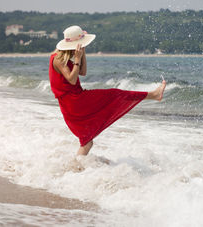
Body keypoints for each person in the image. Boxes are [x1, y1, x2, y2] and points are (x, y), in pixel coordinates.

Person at [49, 25, 166, 155]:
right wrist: (77, 59)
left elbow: (82, 72)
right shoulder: (58, 59)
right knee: (115, 94)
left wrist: (83, 53)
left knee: (87, 141)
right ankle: (154, 95)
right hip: (74, 102)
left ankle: (77, 168)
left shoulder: (64, 57)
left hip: (75, 101)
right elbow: (71, 79)